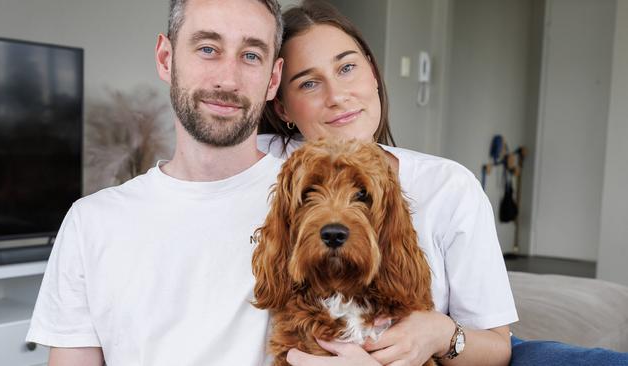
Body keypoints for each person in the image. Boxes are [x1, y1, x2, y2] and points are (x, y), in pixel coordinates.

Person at [258, 1, 628, 366]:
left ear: (373, 73)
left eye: (347, 68)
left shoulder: (449, 186)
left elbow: (499, 348)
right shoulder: (254, 169)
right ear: (282, 106)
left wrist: (439, 333)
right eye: (308, 83)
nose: (337, 96)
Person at [26, 0, 284, 365]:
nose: (228, 79)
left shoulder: (319, 211)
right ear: (166, 58)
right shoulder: (91, 223)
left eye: (251, 55)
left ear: (273, 78)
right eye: (208, 49)